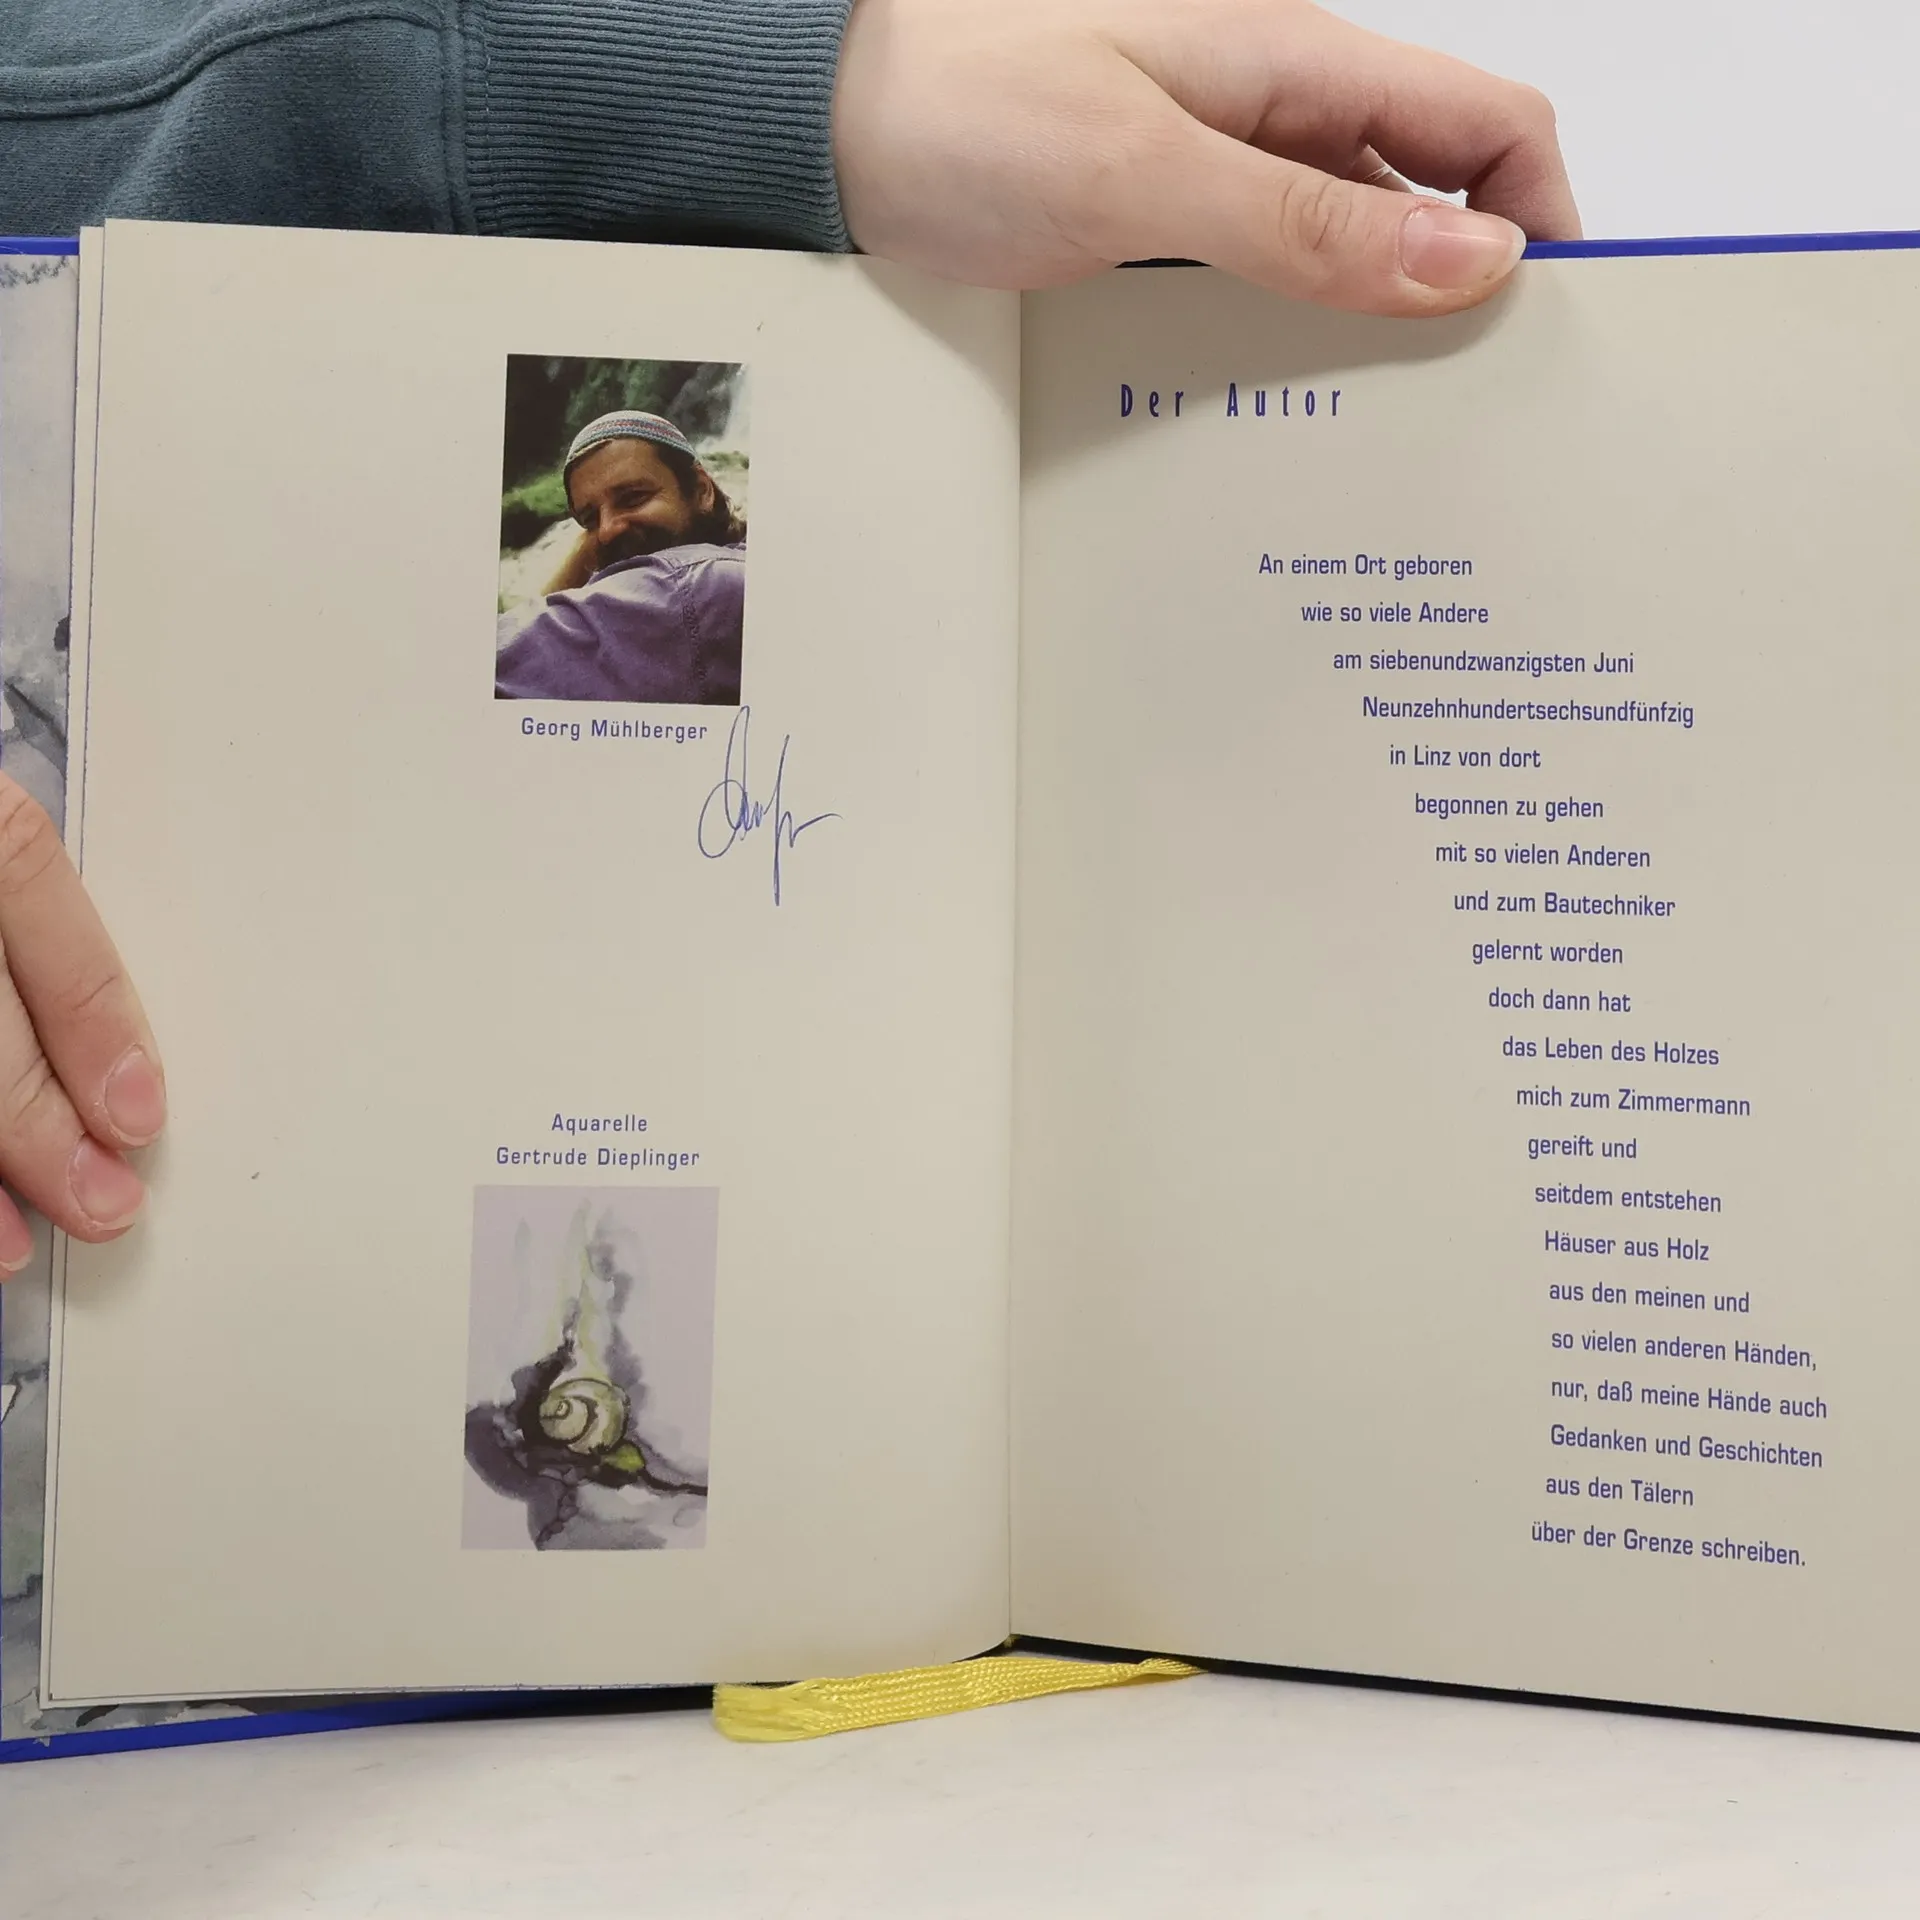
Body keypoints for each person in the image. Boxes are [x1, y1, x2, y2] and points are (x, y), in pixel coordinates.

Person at [0, 0, 1578, 1268]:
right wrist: (820, 74)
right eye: (591, 514)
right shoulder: (612, 594)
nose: (615, 530)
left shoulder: (729, 584)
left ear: (710, 487)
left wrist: (823, 79)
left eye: (637, 498)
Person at [496, 411, 748, 706]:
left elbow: (493, 658)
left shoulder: (690, 584)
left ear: (702, 490)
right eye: (590, 520)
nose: (606, 532)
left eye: (633, 498)